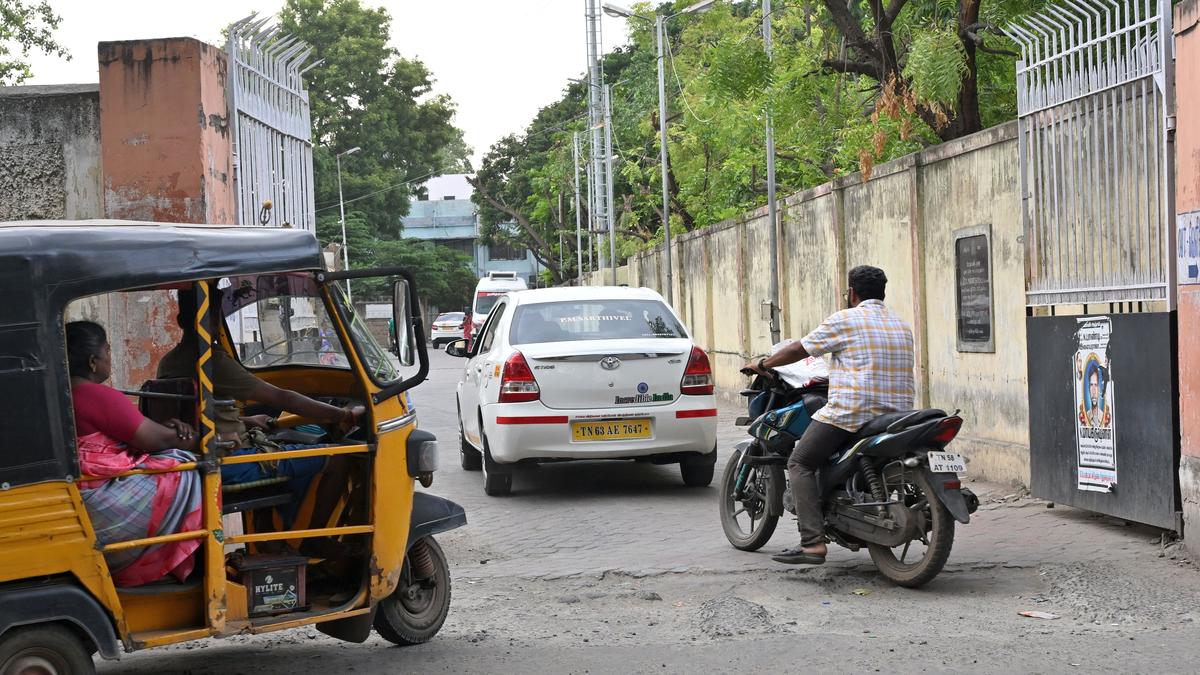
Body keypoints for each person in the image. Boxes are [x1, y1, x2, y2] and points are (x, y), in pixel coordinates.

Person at [158, 288, 363, 548]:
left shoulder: (169, 361)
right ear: (213, 321)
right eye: (214, 317)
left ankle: (268, 538)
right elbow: (281, 398)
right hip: (228, 461)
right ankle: (316, 539)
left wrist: (246, 422)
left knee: (280, 446)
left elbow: (195, 415)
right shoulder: (212, 363)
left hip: (201, 454)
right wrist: (343, 414)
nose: (215, 323)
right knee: (337, 457)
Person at [745, 265, 915, 565]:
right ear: (882, 292)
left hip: (854, 412)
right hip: (898, 414)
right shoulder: (901, 325)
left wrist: (765, 363)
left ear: (852, 293)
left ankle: (812, 543)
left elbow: (801, 349)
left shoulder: (846, 319)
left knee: (800, 461)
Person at [67, 321, 203, 587]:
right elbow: (155, 441)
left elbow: (129, 433)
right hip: (101, 500)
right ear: (93, 361)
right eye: (108, 350)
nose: (110, 357)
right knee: (186, 466)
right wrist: (196, 437)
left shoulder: (63, 392)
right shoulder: (94, 395)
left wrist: (164, 429)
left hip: (79, 493)